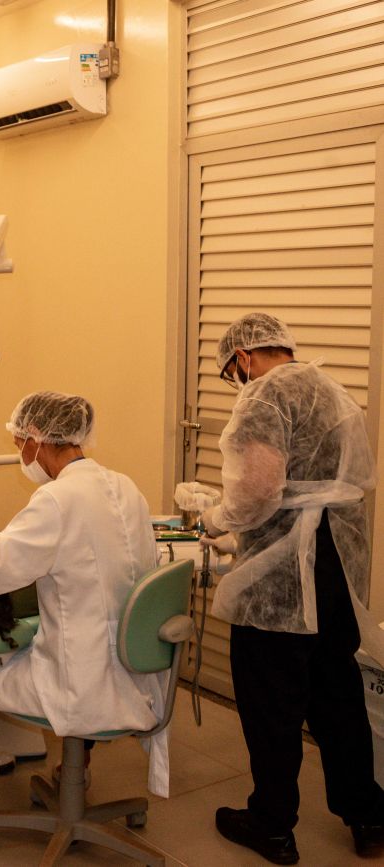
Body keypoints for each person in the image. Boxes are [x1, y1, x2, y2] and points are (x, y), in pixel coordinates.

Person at [0, 391, 164, 845]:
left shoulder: (57, 500)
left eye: (18, 443)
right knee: (62, 638)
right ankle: (76, 767)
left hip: (80, 684)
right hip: (132, 672)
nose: (20, 454)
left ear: (36, 439)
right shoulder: (125, 487)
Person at [200, 312, 384, 864]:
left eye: (232, 372)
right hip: (334, 564)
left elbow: (259, 487)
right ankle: (369, 816)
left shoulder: (264, 395)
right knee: (337, 695)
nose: (237, 381)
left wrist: (218, 519)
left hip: (283, 575)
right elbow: (330, 484)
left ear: (243, 357)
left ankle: (272, 824)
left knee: (270, 703)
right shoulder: (331, 390)